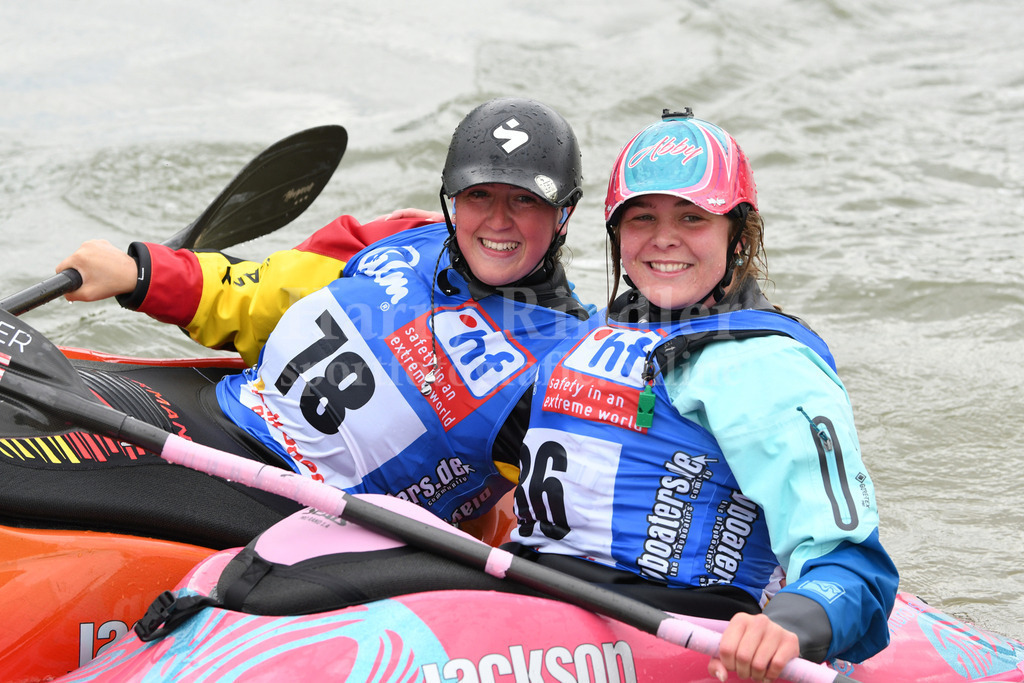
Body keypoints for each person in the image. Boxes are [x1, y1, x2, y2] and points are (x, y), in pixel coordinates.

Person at [49, 97, 592, 527]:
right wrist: (143, 276)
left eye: (524, 200)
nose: (496, 221)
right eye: (478, 195)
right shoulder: (402, 237)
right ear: (451, 197)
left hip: (298, 516)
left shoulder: (566, 365)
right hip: (218, 415)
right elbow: (263, 295)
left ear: (564, 214)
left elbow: (589, 511)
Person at [506, 110, 898, 681]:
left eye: (692, 217)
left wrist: (788, 623)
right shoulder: (589, 335)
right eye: (642, 218)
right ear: (617, 233)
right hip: (527, 596)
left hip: (669, 629)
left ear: (738, 236)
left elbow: (854, 567)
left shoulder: (766, 364)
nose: (664, 238)